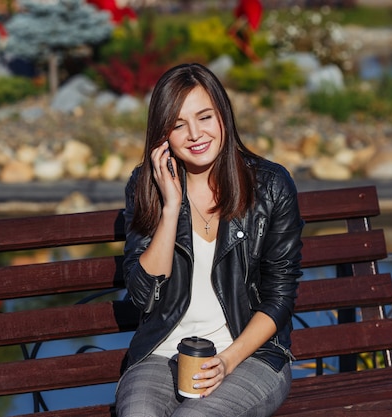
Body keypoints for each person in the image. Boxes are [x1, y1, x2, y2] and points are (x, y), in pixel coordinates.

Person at [115, 63, 303, 417]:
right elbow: (143, 295)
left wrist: (227, 361)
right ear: (163, 135)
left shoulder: (271, 186)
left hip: (249, 355)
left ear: (223, 117)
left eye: (204, 117)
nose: (195, 134)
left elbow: (280, 298)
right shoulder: (146, 186)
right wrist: (170, 207)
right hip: (161, 353)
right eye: (178, 124)